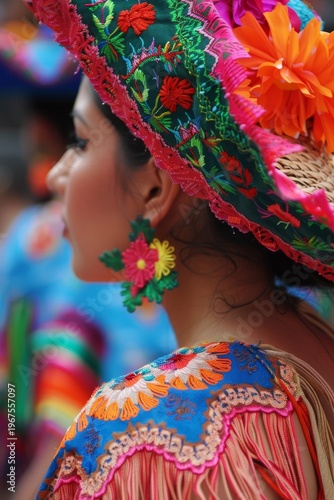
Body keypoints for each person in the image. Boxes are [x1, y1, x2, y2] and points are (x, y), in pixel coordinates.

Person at [24, 0, 334, 498]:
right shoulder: (316, 342)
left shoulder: (141, 432)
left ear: (155, 190)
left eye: (80, 142)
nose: (58, 175)